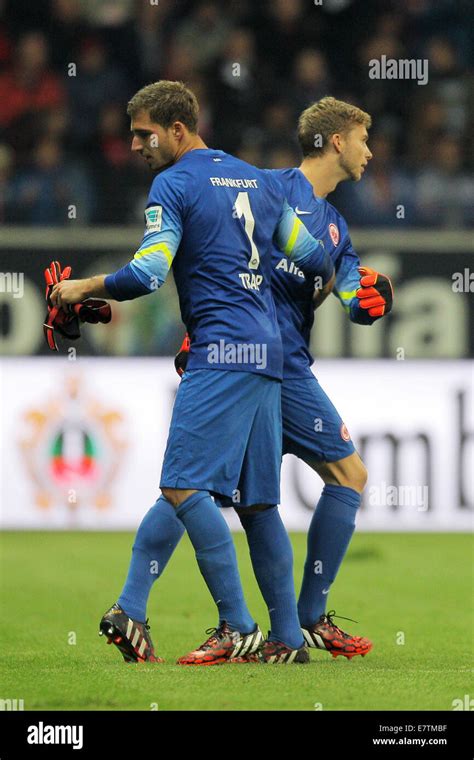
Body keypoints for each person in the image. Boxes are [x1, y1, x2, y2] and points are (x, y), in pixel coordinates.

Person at [49, 80, 335, 665]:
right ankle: (283, 640)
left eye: (142, 134)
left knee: (182, 484)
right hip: (268, 355)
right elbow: (314, 262)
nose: (135, 146)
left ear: (177, 129)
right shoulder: (258, 180)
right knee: (257, 505)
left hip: (221, 353)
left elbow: (150, 272)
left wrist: (82, 287)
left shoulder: (174, 183)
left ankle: (236, 624)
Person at [177, 96, 394, 661]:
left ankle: (289, 627)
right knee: (244, 497)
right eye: (363, 140)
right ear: (337, 141)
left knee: (322, 481)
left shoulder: (337, 227)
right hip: (253, 361)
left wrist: (369, 300)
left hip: (285, 367)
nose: (371, 152)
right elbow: (221, 253)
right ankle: (284, 628)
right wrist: (198, 330)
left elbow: (350, 291)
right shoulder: (265, 189)